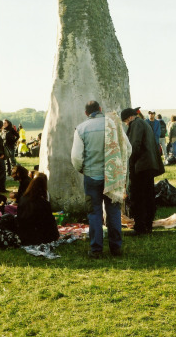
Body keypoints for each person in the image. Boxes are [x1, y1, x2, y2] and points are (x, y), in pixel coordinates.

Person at [71, 100, 131, 258]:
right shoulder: (113, 125)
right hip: (113, 177)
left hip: (92, 177)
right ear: (100, 109)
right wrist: (118, 165)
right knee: (113, 212)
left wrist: (83, 169)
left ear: (86, 113)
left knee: (95, 213)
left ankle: (96, 249)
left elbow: (76, 157)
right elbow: (128, 149)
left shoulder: (82, 128)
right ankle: (116, 248)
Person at [121, 107, 164, 235]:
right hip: (149, 166)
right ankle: (148, 225)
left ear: (129, 118)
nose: (126, 124)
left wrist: (130, 162)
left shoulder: (136, 124)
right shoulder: (144, 123)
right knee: (148, 196)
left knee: (138, 197)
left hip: (141, 166)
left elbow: (135, 145)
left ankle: (140, 227)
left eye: (125, 122)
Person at [17, 175, 59, 246]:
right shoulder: (43, 203)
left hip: (23, 235)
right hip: (38, 236)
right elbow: (49, 222)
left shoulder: (22, 199)